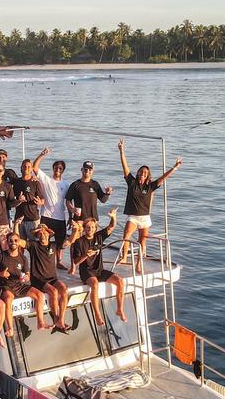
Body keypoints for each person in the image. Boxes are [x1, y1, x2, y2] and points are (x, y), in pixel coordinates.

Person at [116, 139, 182, 270]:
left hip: (145, 218)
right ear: (138, 173)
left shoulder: (150, 186)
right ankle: (124, 257)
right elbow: (125, 166)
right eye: (141, 171)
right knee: (127, 235)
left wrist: (174, 167)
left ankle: (138, 264)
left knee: (142, 241)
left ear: (147, 176)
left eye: (145, 173)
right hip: (133, 217)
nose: (142, 174)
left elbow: (164, 177)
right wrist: (121, 151)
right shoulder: (132, 182)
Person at [66, 210, 126, 327]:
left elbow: (111, 226)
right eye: (88, 227)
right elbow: (75, 262)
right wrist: (86, 255)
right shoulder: (79, 242)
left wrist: (113, 217)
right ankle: (97, 315)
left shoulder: (99, 236)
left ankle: (119, 309)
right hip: (86, 271)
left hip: (99, 270)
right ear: (84, 228)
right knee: (94, 284)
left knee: (120, 281)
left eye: (93, 227)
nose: (91, 229)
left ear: (96, 228)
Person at [0, 231, 53, 336]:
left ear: (19, 242)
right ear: (7, 242)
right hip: (6, 286)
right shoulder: (0, 256)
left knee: (40, 295)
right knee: (8, 299)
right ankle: (10, 328)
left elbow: (27, 275)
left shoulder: (23, 258)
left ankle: (40, 323)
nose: (13, 242)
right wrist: (0, 274)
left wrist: (26, 277)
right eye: (11, 240)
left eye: (16, 240)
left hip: (19, 285)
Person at [31, 149, 71, 270]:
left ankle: (59, 262)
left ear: (63, 170)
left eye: (60, 168)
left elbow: (69, 201)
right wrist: (42, 155)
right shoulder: (46, 180)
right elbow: (34, 167)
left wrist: (71, 217)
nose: (58, 170)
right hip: (46, 216)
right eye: (56, 167)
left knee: (60, 242)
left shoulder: (66, 184)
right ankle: (43, 260)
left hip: (60, 217)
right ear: (53, 168)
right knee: (43, 240)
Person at [27, 223, 69, 330]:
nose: (43, 235)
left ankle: (61, 319)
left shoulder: (53, 245)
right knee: (54, 291)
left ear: (49, 234)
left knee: (64, 289)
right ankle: (56, 319)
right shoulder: (33, 245)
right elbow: (19, 241)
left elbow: (69, 242)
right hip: (38, 280)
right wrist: (17, 225)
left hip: (52, 278)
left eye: (45, 233)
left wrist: (75, 230)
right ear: (37, 236)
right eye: (40, 234)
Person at [12, 159, 45, 241]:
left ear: (31, 169)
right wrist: (18, 200)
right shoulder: (16, 182)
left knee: (34, 244)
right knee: (19, 244)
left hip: (32, 219)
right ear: (21, 168)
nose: (26, 168)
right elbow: (11, 201)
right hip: (19, 219)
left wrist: (40, 202)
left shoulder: (35, 182)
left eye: (28, 167)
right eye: (24, 166)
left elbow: (42, 200)